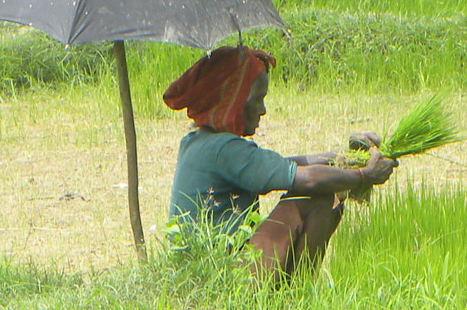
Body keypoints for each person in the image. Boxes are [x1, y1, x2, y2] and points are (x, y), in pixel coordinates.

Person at [162, 45, 397, 279]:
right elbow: (309, 179)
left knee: (320, 186)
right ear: (233, 100)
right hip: (223, 278)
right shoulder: (226, 149)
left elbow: (281, 164)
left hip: (203, 274)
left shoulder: (197, 141)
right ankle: (296, 293)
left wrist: (343, 158)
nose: (263, 110)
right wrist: (365, 175)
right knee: (318, 196)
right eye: (258, 99)